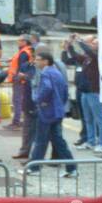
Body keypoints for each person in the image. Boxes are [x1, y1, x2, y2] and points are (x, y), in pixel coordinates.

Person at [28, 46, 75, 177]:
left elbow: (46, 88)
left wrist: (38, 99)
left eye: (38, 59)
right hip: (57, 111)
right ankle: (72, 169)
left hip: (47, 112)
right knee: (58, 141)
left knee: (41, 140)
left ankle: (34, 168)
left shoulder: (45, 73)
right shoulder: (57, 73)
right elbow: (65, 91)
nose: (35, 62)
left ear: (45, 61)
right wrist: (60, 104)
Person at [63, 34, 102, 154]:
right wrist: (70, 45)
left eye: (95, 43)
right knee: (88, 119)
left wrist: (80, 40)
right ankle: (90, 141)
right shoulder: (88, 58)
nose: (92, 45)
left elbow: (88, 50)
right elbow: (76, 56)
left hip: (94, 91)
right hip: (85, 92)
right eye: (93, 43)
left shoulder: (98, 56)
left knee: (99, 119)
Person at [8, 34, 37, 159]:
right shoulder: (24, 53)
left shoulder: (25, 53)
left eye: (19, 40)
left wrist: (19, 77)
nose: (17, 42)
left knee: (17, 101)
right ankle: (26, 152)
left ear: (25, 42)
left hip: (21, 82)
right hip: (21, 82)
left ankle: (16, 121)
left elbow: (22, 68)